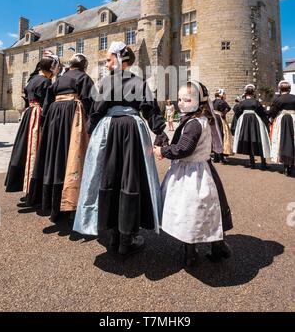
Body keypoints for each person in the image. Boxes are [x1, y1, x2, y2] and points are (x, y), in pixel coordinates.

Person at [73, 41, 169, 257]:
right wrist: (160, 131)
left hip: (109, 131)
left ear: (119, 59)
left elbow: (96, 111)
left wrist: (89, 131)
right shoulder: (139, 82)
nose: (106, 64)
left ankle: (114, 235)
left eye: (108, 60)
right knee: (131, 178)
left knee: (108, 177)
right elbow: (150, 109)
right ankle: (127, 237)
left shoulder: (105, 83)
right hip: (133, 130)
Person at [154, 81, 233, 267]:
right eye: (179, 99)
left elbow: (184, 149)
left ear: (200, 101)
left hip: (193, 174)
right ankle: (215, 246)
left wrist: (163, 151)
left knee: (191, 210)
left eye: (187, 100)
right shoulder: (199, 119)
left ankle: (192, 253)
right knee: (207, 209)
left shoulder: (194, 124)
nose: (181, 103)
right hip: (201, 169)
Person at [27, 53, 94, 221]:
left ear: (70, 65)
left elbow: (48, 102)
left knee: (55, 158)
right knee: (72, 159)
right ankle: (71, 206)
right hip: (73, 118)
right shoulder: (84, 78)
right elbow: (90, 102)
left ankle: (53, 206)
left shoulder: (59, 80)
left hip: (54, 119)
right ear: (84, 66)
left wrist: (46, 123)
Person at [5, 55, 59, 198]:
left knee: (25, 148)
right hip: (37, 115)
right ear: (50, 68)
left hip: (28, 113)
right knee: (35, 150)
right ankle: (34, 190)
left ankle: (25, 186)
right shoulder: (46, 82)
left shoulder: (32, 80)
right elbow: (47, 104)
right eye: (54, 69)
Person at [233, 84, 270, 169]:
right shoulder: (256, 102)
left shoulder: (242, 102)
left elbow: (237, 111)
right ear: (253, 92)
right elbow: (262, 112)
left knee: (249, 140)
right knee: (260, 140)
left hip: (244, 123)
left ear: (245, 93)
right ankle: (263, 163)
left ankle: (252, 163)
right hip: (255, 122)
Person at [269, 80, 295, 176]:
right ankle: (292, 164)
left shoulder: (278, 99)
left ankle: (285, 166)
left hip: (282, 121)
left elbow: (272, 112)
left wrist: (270, 117)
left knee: (281, 140)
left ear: (280, 89)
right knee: (293, 140)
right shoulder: (294, 98)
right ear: (289, 89)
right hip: (293, 119)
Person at [213, 89, 233, 163]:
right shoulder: (222, 102)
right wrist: (224, 113)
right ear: (221, 95)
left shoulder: (213, 102)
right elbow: (228, 108)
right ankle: (221, 157)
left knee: (215, 137)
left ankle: (215, 157)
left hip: (213, 119)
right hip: (220, 119)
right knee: (222, 136)